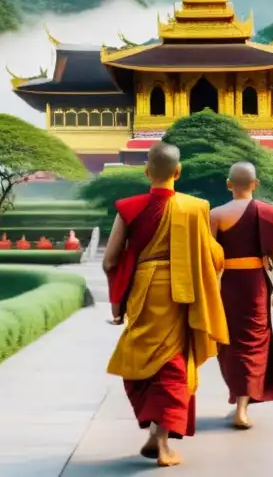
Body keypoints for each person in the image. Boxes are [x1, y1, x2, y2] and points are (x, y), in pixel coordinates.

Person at [103, 141, 229, 467]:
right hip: (180, 292)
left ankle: (155, 435)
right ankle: (160, 442)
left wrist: (116, 302)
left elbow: (110, 261)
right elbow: (212, 255)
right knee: (173, 362)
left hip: (143, 292)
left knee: (140, 356)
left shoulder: (128, 207)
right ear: (178, 171)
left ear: (146, 171)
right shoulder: (196, 207)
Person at [210, 161, 273, 429]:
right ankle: (242, 406)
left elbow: (209, 259)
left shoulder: (216, 214)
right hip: (256, 286)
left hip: (227, 286)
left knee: (230, 344)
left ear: (229, 184)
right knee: (253, 344)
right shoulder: (268, 213)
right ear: (256, 184)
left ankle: (240, 401)